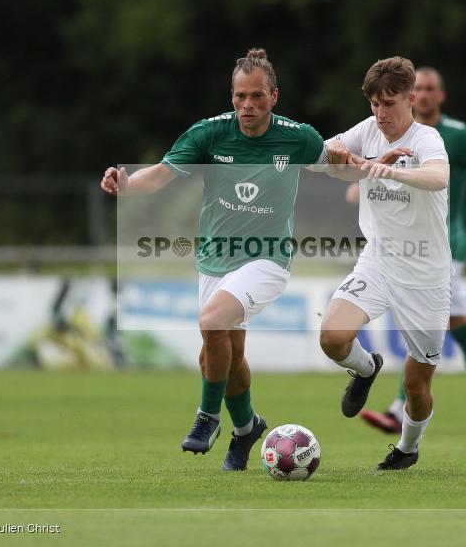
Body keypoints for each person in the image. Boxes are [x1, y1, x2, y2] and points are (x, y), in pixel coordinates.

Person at [100, 48, 328, 471]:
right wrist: (127, 183)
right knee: (223, 356)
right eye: (239, 96)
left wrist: (373, 165)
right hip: (215, 258)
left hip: (268, 260)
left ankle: (208, 419)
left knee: (212, 322)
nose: (247, 105)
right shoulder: (208, 133)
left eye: (257, 96)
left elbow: (336, 162)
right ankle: (246, 429)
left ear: (274, 96)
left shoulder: (299, 138)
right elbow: (161, 176)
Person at [358, 67, 466, 435]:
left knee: (426, 327)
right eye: (421, 88)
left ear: (438, 96)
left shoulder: (456, 136)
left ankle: (400, 410)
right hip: (407, 247)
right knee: (452, 327)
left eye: (431, 89)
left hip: (445, 246)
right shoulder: (387, 133)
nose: (425, 95)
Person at [320, 56, 451, 470]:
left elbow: (438, 178)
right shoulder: (366, 131)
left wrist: (387, 172)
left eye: (389, 104)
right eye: (374, 103)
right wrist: (335, 152)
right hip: (378, 261)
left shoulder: (426, 138)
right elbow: (319, 157)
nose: (380, 114)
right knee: (331, 337)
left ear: (411, 99)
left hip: (426, 275)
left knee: (416, 386)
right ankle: (364, 369)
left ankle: (407, 449)